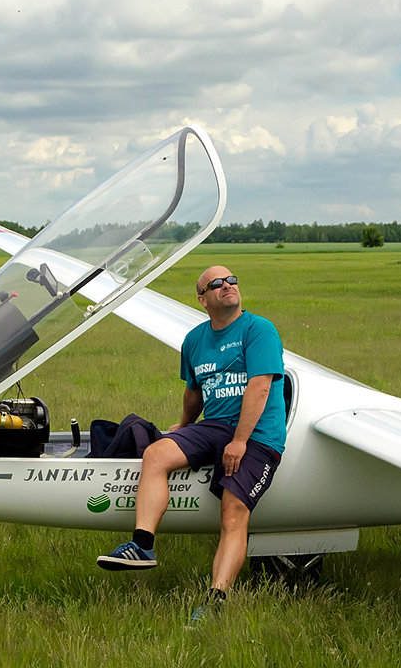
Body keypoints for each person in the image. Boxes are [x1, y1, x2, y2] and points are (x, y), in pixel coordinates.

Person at [96, 265, 287, 622]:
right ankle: (142, 545)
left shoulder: (259, 330)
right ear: (202, 299)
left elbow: (260, 387)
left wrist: (240, 441)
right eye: (217, 284)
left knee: (232, 513)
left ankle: (216, 601)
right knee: (155, 453)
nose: (228, 286)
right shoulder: (195, 340)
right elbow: (193, 390)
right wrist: (183, 427)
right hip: (214, 425)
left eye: (232, 279)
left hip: (258, 433)